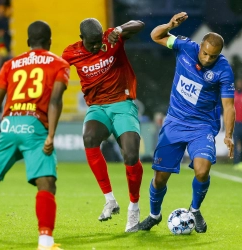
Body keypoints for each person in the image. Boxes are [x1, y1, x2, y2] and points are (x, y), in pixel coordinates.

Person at [138, 12, 235, 233]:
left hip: (202, 126)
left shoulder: (223, 70)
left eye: (213, 56)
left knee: (202, 170)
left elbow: (229, 106)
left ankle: (194, 209)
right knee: (160, 178)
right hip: (174, 122)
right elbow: (155, 36)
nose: (207, 59)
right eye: (205, 53)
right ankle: (154, 215)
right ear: (200, 46)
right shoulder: (185, 47)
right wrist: (169, 25)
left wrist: (228, 134)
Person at [62, 18, 145, 232]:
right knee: (89, 138)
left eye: (99, 41)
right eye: (92, 43)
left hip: (122, 104)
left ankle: (134, 208)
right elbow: (57, 69)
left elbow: (139, 24)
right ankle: (110, 200)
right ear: (81, 39)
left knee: (131, 155)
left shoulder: (111, 37)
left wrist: (119, 29)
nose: (97, 46)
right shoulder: (71, 52)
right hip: (98, 108)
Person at [0, 21, 70, 250]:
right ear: (49, 41)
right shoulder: (59, 64)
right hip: (34, 126)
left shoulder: (10, 64)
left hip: (8, 126)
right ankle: (45, 242)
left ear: (28, 43)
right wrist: (51, 135)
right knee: (46, 182)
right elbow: (55, 100)